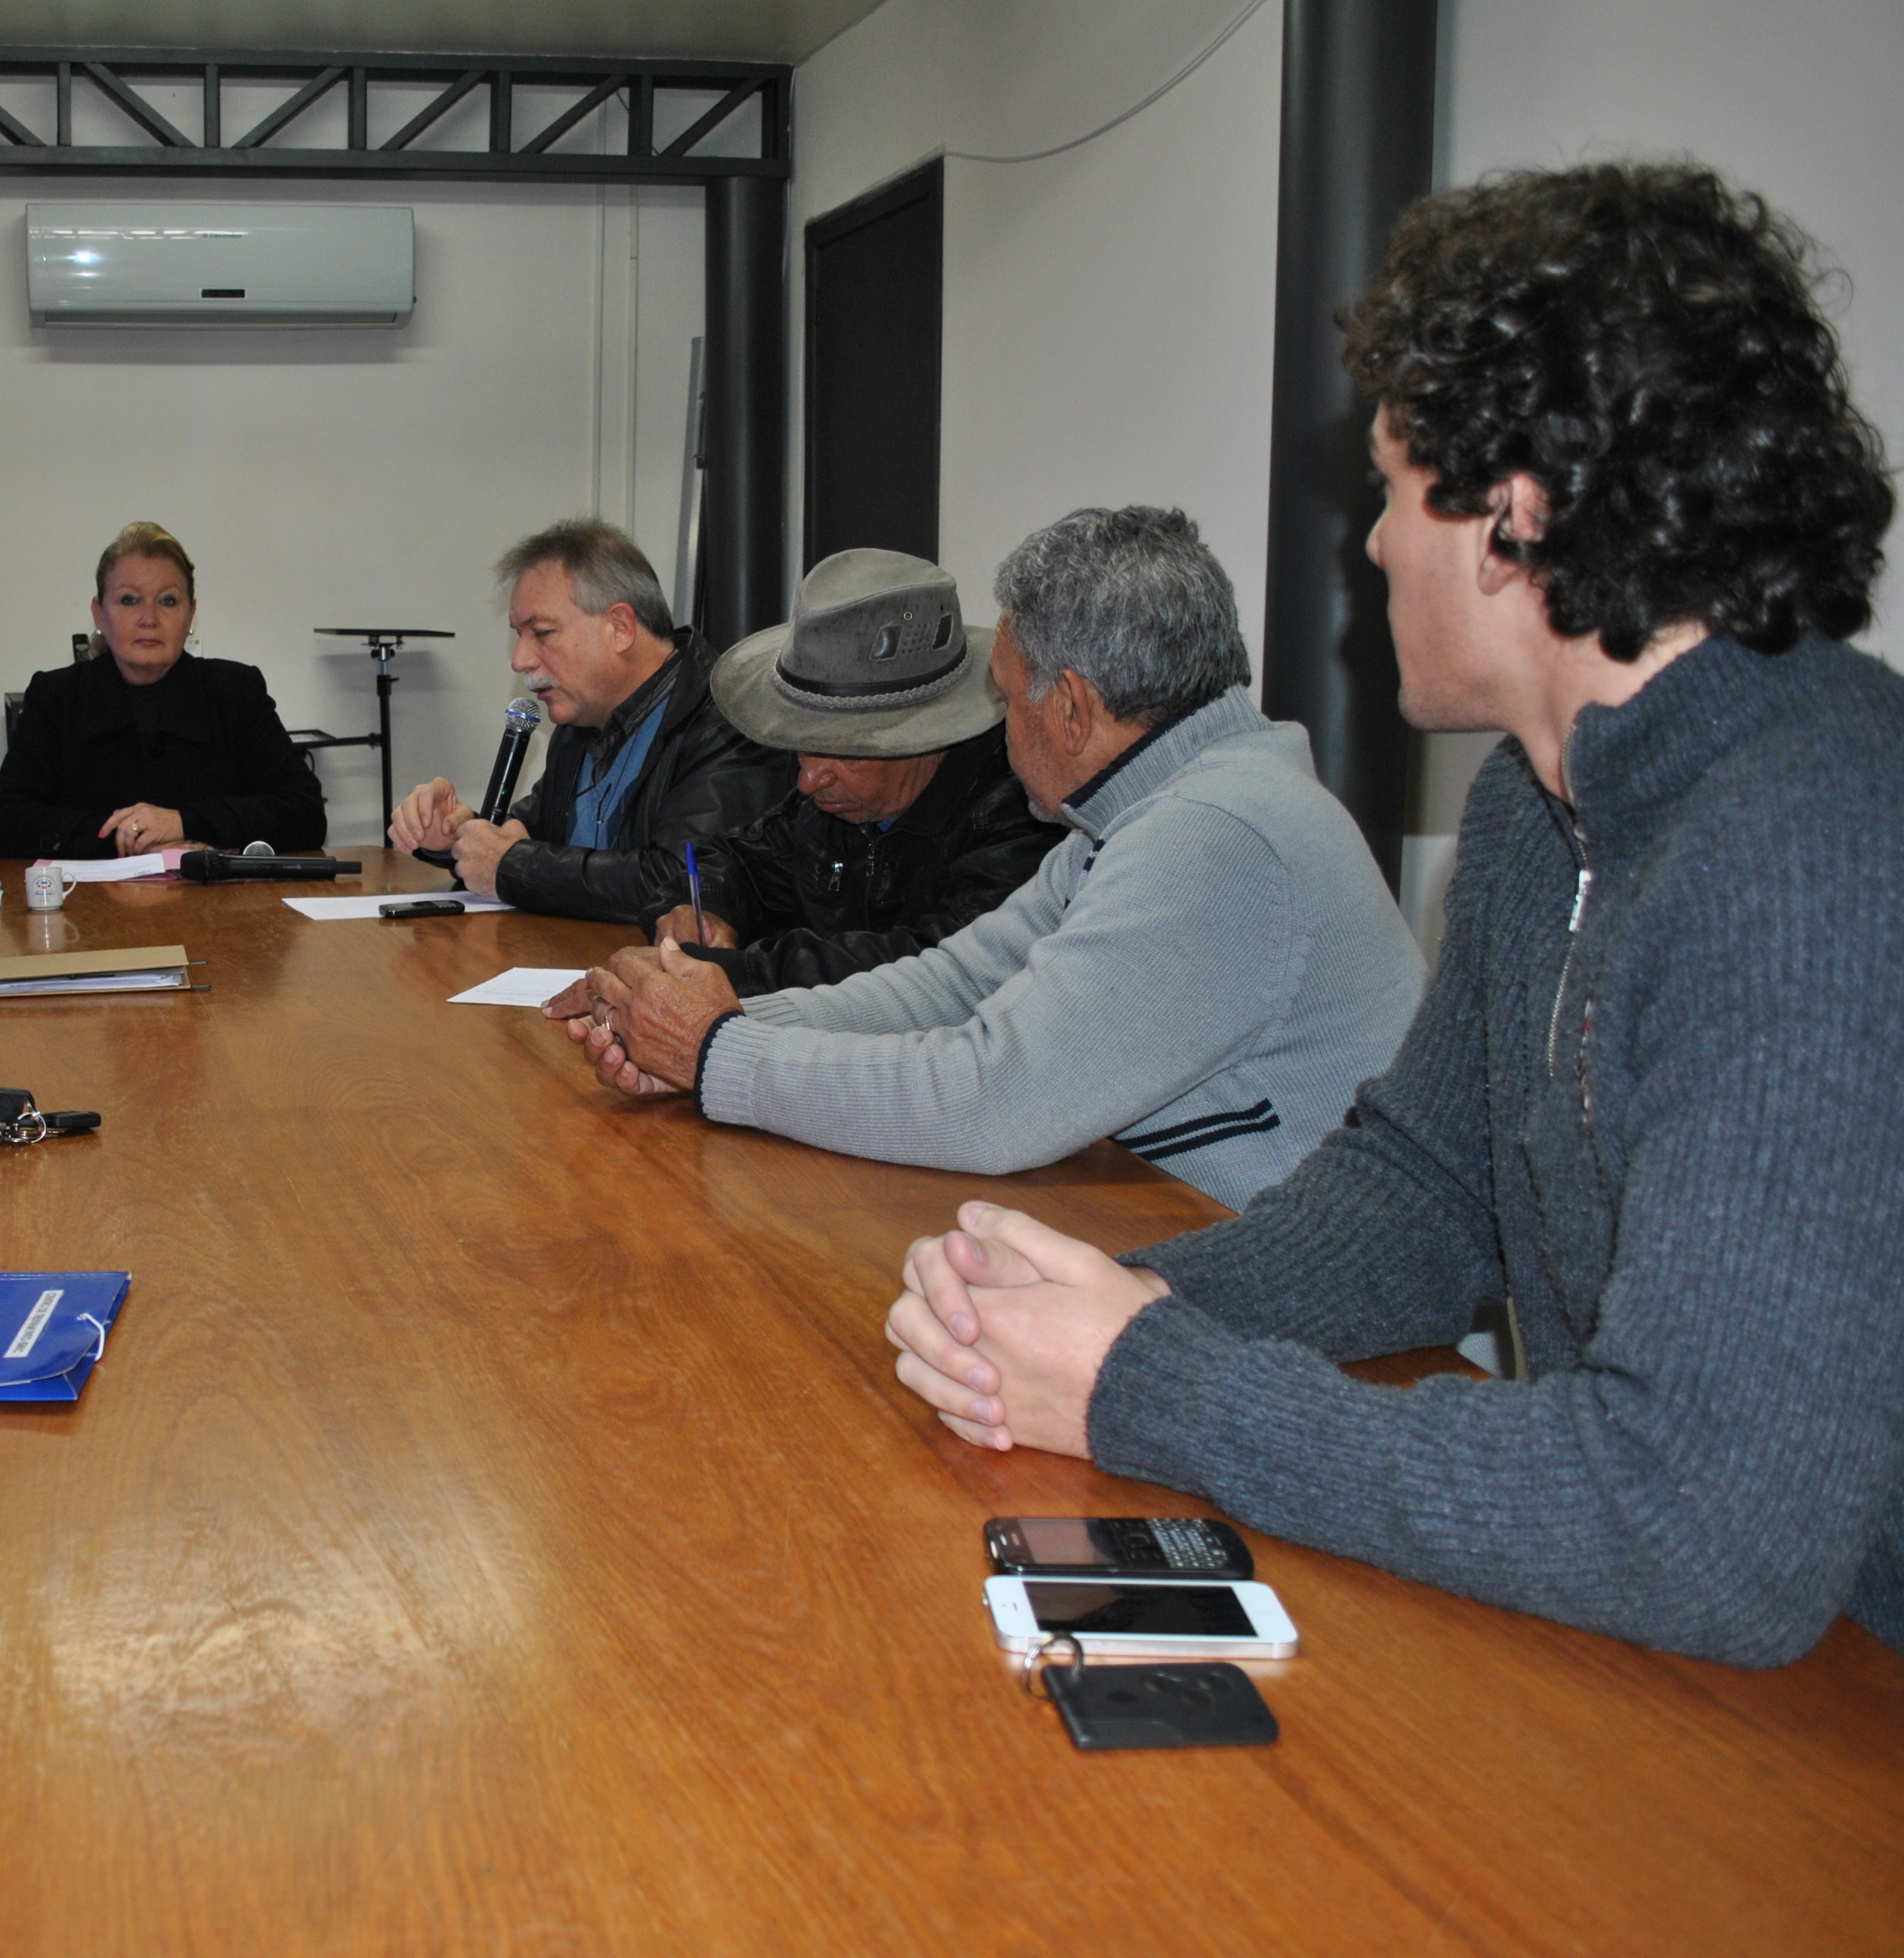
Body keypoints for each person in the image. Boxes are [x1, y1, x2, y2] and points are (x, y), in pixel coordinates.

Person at [886, 164, 1904, 1667]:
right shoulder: (1530, 803)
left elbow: (1701, 1530)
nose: (1367, 544)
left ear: (1511, 517)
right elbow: (1427, 1204)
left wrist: (1146, 1382)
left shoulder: (1815, 842)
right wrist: (1096, 1303)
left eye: (1387, 484)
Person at [554, 506, 1423, 1212]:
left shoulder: (1216, 837)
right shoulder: (1132, 820)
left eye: (1007, 702)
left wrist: (716, 1056)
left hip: (1302, 1330)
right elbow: (950, 984)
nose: (1000, 735)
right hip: (1170, 1234)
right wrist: (712, 1029)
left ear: (1072, 709)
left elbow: (991, 1100)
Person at [641, 548, 1065, 991]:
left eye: (842, 750)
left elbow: (940, 972)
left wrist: (738, 972)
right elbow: (741, 860)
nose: (808, 780)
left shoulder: (1021, 813)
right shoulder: (830, 801)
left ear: (924, 735)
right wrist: (705, 908)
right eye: (800, 748)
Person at [388, 519, 787, 920]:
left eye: (542, 632)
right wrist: (455, 835)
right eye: (519, 634)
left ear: (619, 628)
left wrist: (511, 867)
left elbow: (687, 882)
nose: (520, 661)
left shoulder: (729, 721)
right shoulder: (580, 725)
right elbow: (531, 841)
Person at [0, 520, 327, 857]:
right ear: (99, 615)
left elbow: (306, 813)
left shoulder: (235, 691)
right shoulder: (56, 696)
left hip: (213, 907)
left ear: (191, 614)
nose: (149, 618)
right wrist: (130, 839)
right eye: (129, 600)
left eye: (167, 601)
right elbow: (6, 821)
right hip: (91, 907)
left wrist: (182, 823)